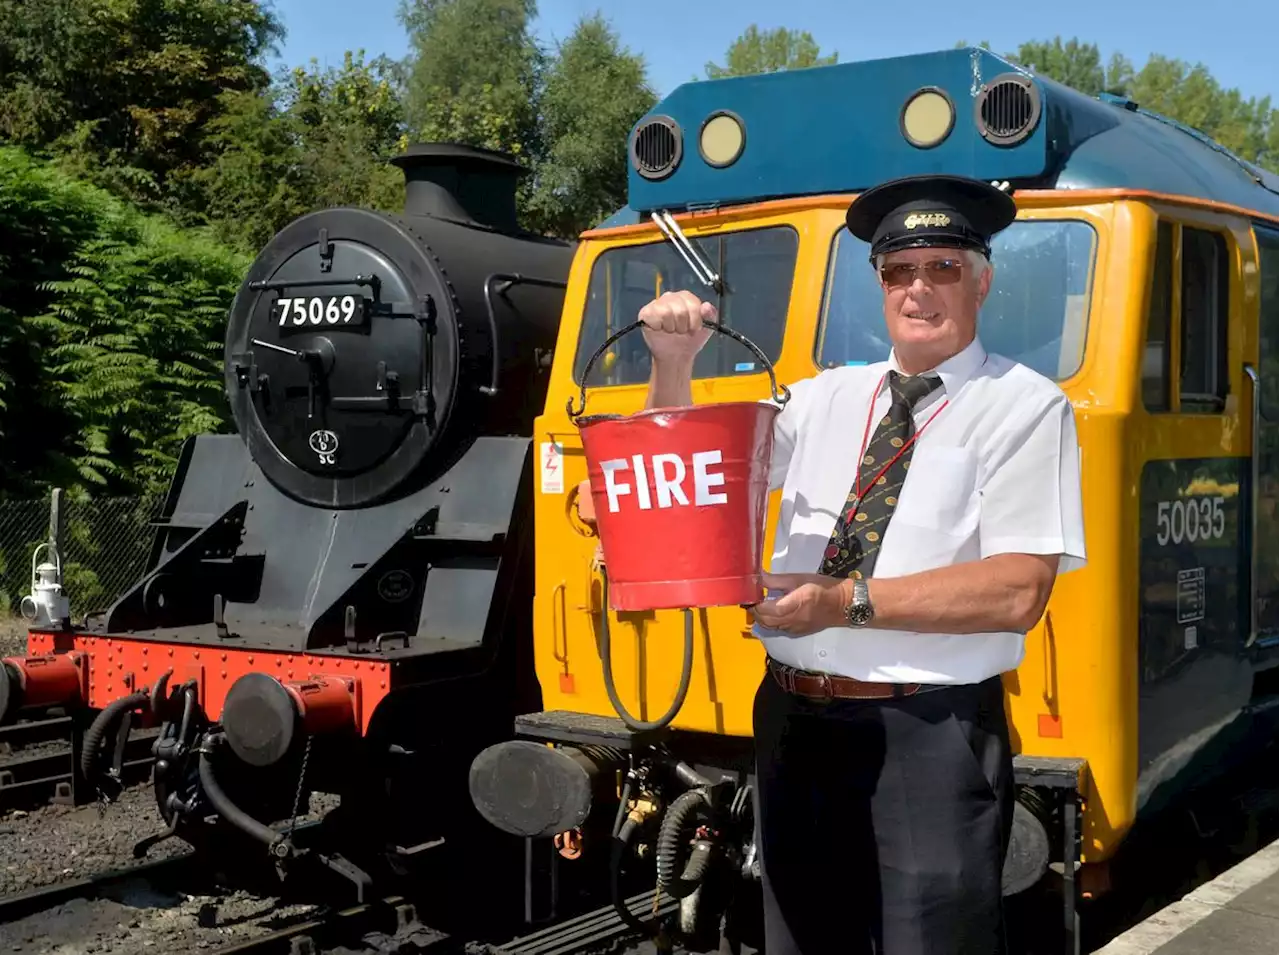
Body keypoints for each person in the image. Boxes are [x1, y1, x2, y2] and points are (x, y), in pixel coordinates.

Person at [636, 173, 1087, 955]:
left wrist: (840, 601)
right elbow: (681, 486)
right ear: (880, 287)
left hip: (928, 731)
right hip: (792, 723)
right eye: (898, 272)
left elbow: (1020, 589)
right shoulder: (820, 400)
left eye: (942, 267)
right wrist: (672, 364)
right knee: (799, 940)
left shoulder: (1024, 406)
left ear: (982, 280)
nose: (919, 290)